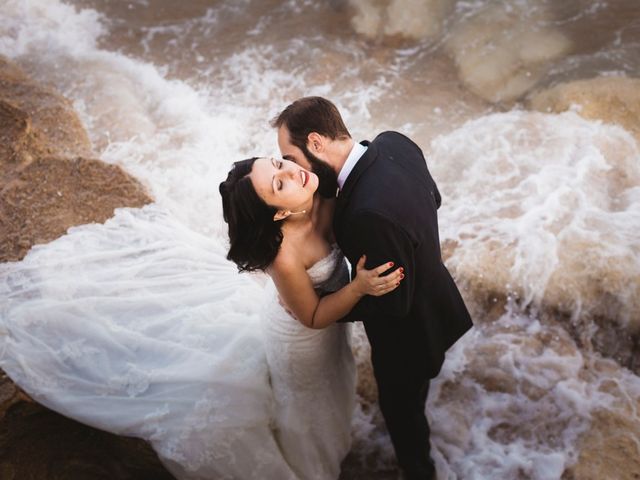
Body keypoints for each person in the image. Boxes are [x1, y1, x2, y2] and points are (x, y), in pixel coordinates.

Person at [271, 96, 474, 480]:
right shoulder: (394, 142)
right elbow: (434, 197)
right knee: (412, 396)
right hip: (437, 291)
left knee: (402, 409)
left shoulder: (365, 214)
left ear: (316, 142)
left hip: (409, 334)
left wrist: (324, 306)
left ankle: (419, 469)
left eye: (292, 157)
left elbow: (393, 303)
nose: (294, 168)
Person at [218, 156, 403, 478]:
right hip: (301, 339)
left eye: (277, 163)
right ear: (279, 213)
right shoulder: (284, 255)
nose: (290, 171)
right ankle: (313, 465)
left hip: (330, 322)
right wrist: (359, 287)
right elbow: (313, 316)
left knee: (337, 372)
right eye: (279, 183)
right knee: (311, 404)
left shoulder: (319, 192)